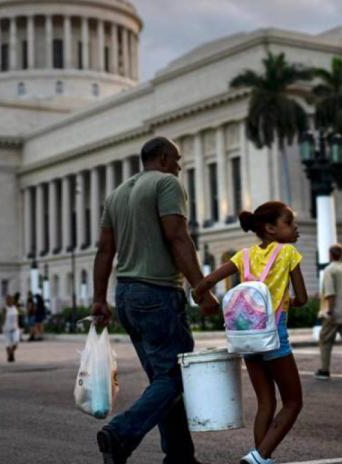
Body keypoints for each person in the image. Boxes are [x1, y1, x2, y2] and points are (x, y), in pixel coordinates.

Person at [91, 137, 219, 464]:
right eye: (176, 159)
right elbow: (177, 236)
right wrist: (201, 289)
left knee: (163, 381)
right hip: (158, 292)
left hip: (127, 295)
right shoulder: (166, 184)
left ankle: (179, 457)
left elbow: (105, 251)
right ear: (163, 158)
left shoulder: (116, 194)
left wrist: (98, 299)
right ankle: (120, 434)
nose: (179, 166)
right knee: (175, 376)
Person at [196, 201, 307, 464]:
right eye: (289, 222)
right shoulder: (288, 253)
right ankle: (259, 456)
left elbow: (208, 281)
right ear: (270, 228)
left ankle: (261, 458)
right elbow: (301, 298)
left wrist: (199, 294)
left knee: (265, 403)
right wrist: (285, 299)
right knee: (293, 402)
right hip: (273, 334)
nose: (295, 227)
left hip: (246, 336)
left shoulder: (243, 256)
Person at [315, 243, 342, 380]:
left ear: (330, 255)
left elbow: (330, 293)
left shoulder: (329, 270)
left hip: (333, 311)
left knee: (325, 341)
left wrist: (329, 310)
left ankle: (324, 369)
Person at [3, 293, 22, 362]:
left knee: (16, 342)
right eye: (8, 299)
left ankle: (10, 354)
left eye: (11, 299)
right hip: (7, 328)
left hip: (15, 328)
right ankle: (11, 357)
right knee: (8, 344)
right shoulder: (5, 308)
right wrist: (1, 325)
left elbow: (17, 317)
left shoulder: (15, 307)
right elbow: (3, 318)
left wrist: (19, 325)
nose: (10, 301)